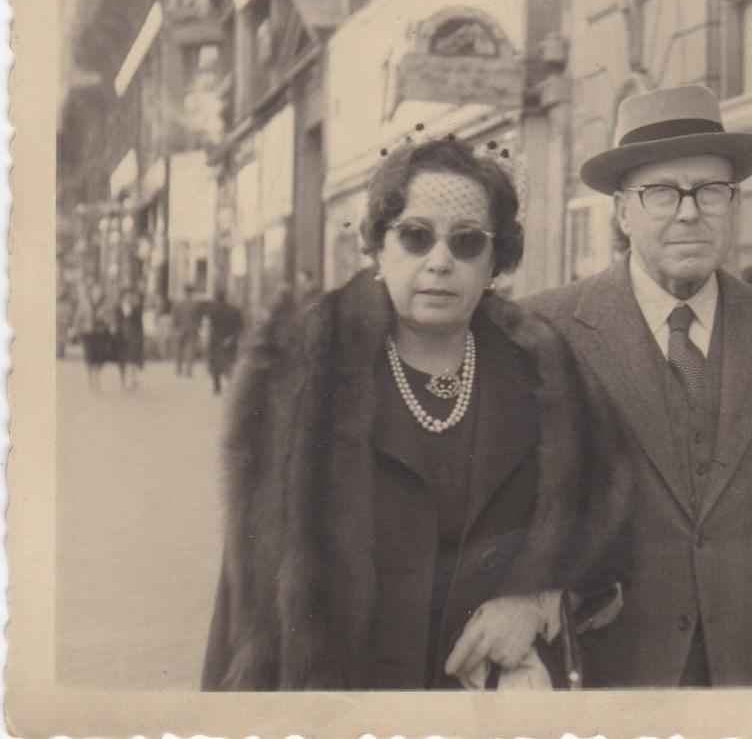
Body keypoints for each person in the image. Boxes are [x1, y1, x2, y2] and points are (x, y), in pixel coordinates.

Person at [525, 84, 752, 687]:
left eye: (710, 191)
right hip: (605, 679)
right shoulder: (549, 330)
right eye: (662, 192)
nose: (689, 211)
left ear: (734, 206)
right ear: (622, 213)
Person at [202, 137, 600, 691]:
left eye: (467, 242)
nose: (440, 261)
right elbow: (245, 598)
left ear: (496, 261)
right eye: (416, 237)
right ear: (377, 250)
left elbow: (601, 529)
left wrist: (535, 602)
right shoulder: (304, 375)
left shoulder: (543, 374)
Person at [203, 289, 243, 395]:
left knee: (215, 365)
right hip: (230, 341)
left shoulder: (211, 310)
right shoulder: (234, 310)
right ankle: (231, 386)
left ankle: (217, 387)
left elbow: (208, 326)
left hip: (215, 341)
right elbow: (240, 326)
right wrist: (232, 338)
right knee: (230, 363)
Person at [74, 283, 111, 390]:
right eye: (95, 291)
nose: (97, 293)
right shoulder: (84, 303)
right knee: (90, 357)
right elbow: (78, 318)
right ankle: (91, 379)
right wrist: (76, 331)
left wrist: (107, 321)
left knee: (100, 358)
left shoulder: (106, 304)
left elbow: (110, 318)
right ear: (91, 292)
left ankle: (97, 377)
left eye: (99, 291)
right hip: (88, 333)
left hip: (101, 333)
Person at [112, 288, 145, 391]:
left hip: (133, 336)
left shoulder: (136, 308)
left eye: (129, 296)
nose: (128, 298)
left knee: (133, 359)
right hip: (121, 336)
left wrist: (140, 336)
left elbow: (139, 324)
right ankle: (123, 381)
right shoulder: (117, 308)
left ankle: (132, 380)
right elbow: (115, 322)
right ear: (121, 297)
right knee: (122, 360)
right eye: (125, 296)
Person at [173, 284, 203, 377]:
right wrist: (198, 326)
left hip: (180, 329)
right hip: (192, 329)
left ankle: (178, 369)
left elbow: (175, 317)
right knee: (190, 349)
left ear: (184, 292)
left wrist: (175, 327)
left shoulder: (178, 304)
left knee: (179, 349)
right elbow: (199, 318)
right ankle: (188, 370)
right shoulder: (196, 305)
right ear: (192, 293)